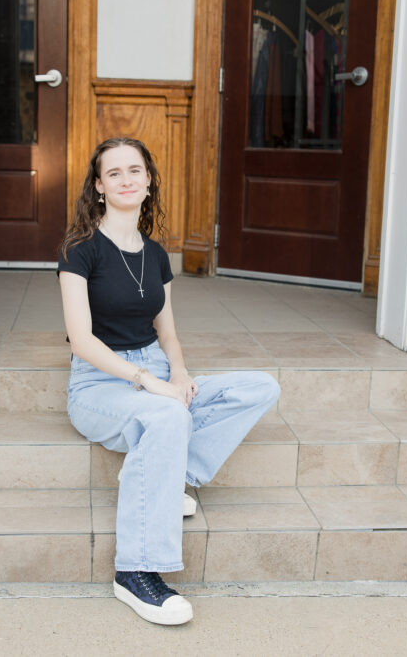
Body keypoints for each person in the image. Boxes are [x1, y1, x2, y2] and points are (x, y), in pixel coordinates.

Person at [57, 137, 280, 625]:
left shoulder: (157, 255)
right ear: (98, 186)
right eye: (113, 173)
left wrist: (177, 374)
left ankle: (166, 471)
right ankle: (136, 571)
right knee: (164, 414)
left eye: (134, 170)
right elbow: (81, 341)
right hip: (100, 383)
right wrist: (147, 382)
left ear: (149, 180)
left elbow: (169, 333)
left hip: (155, 370)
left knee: (260, 386)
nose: (126, 179)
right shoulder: (80, 251)